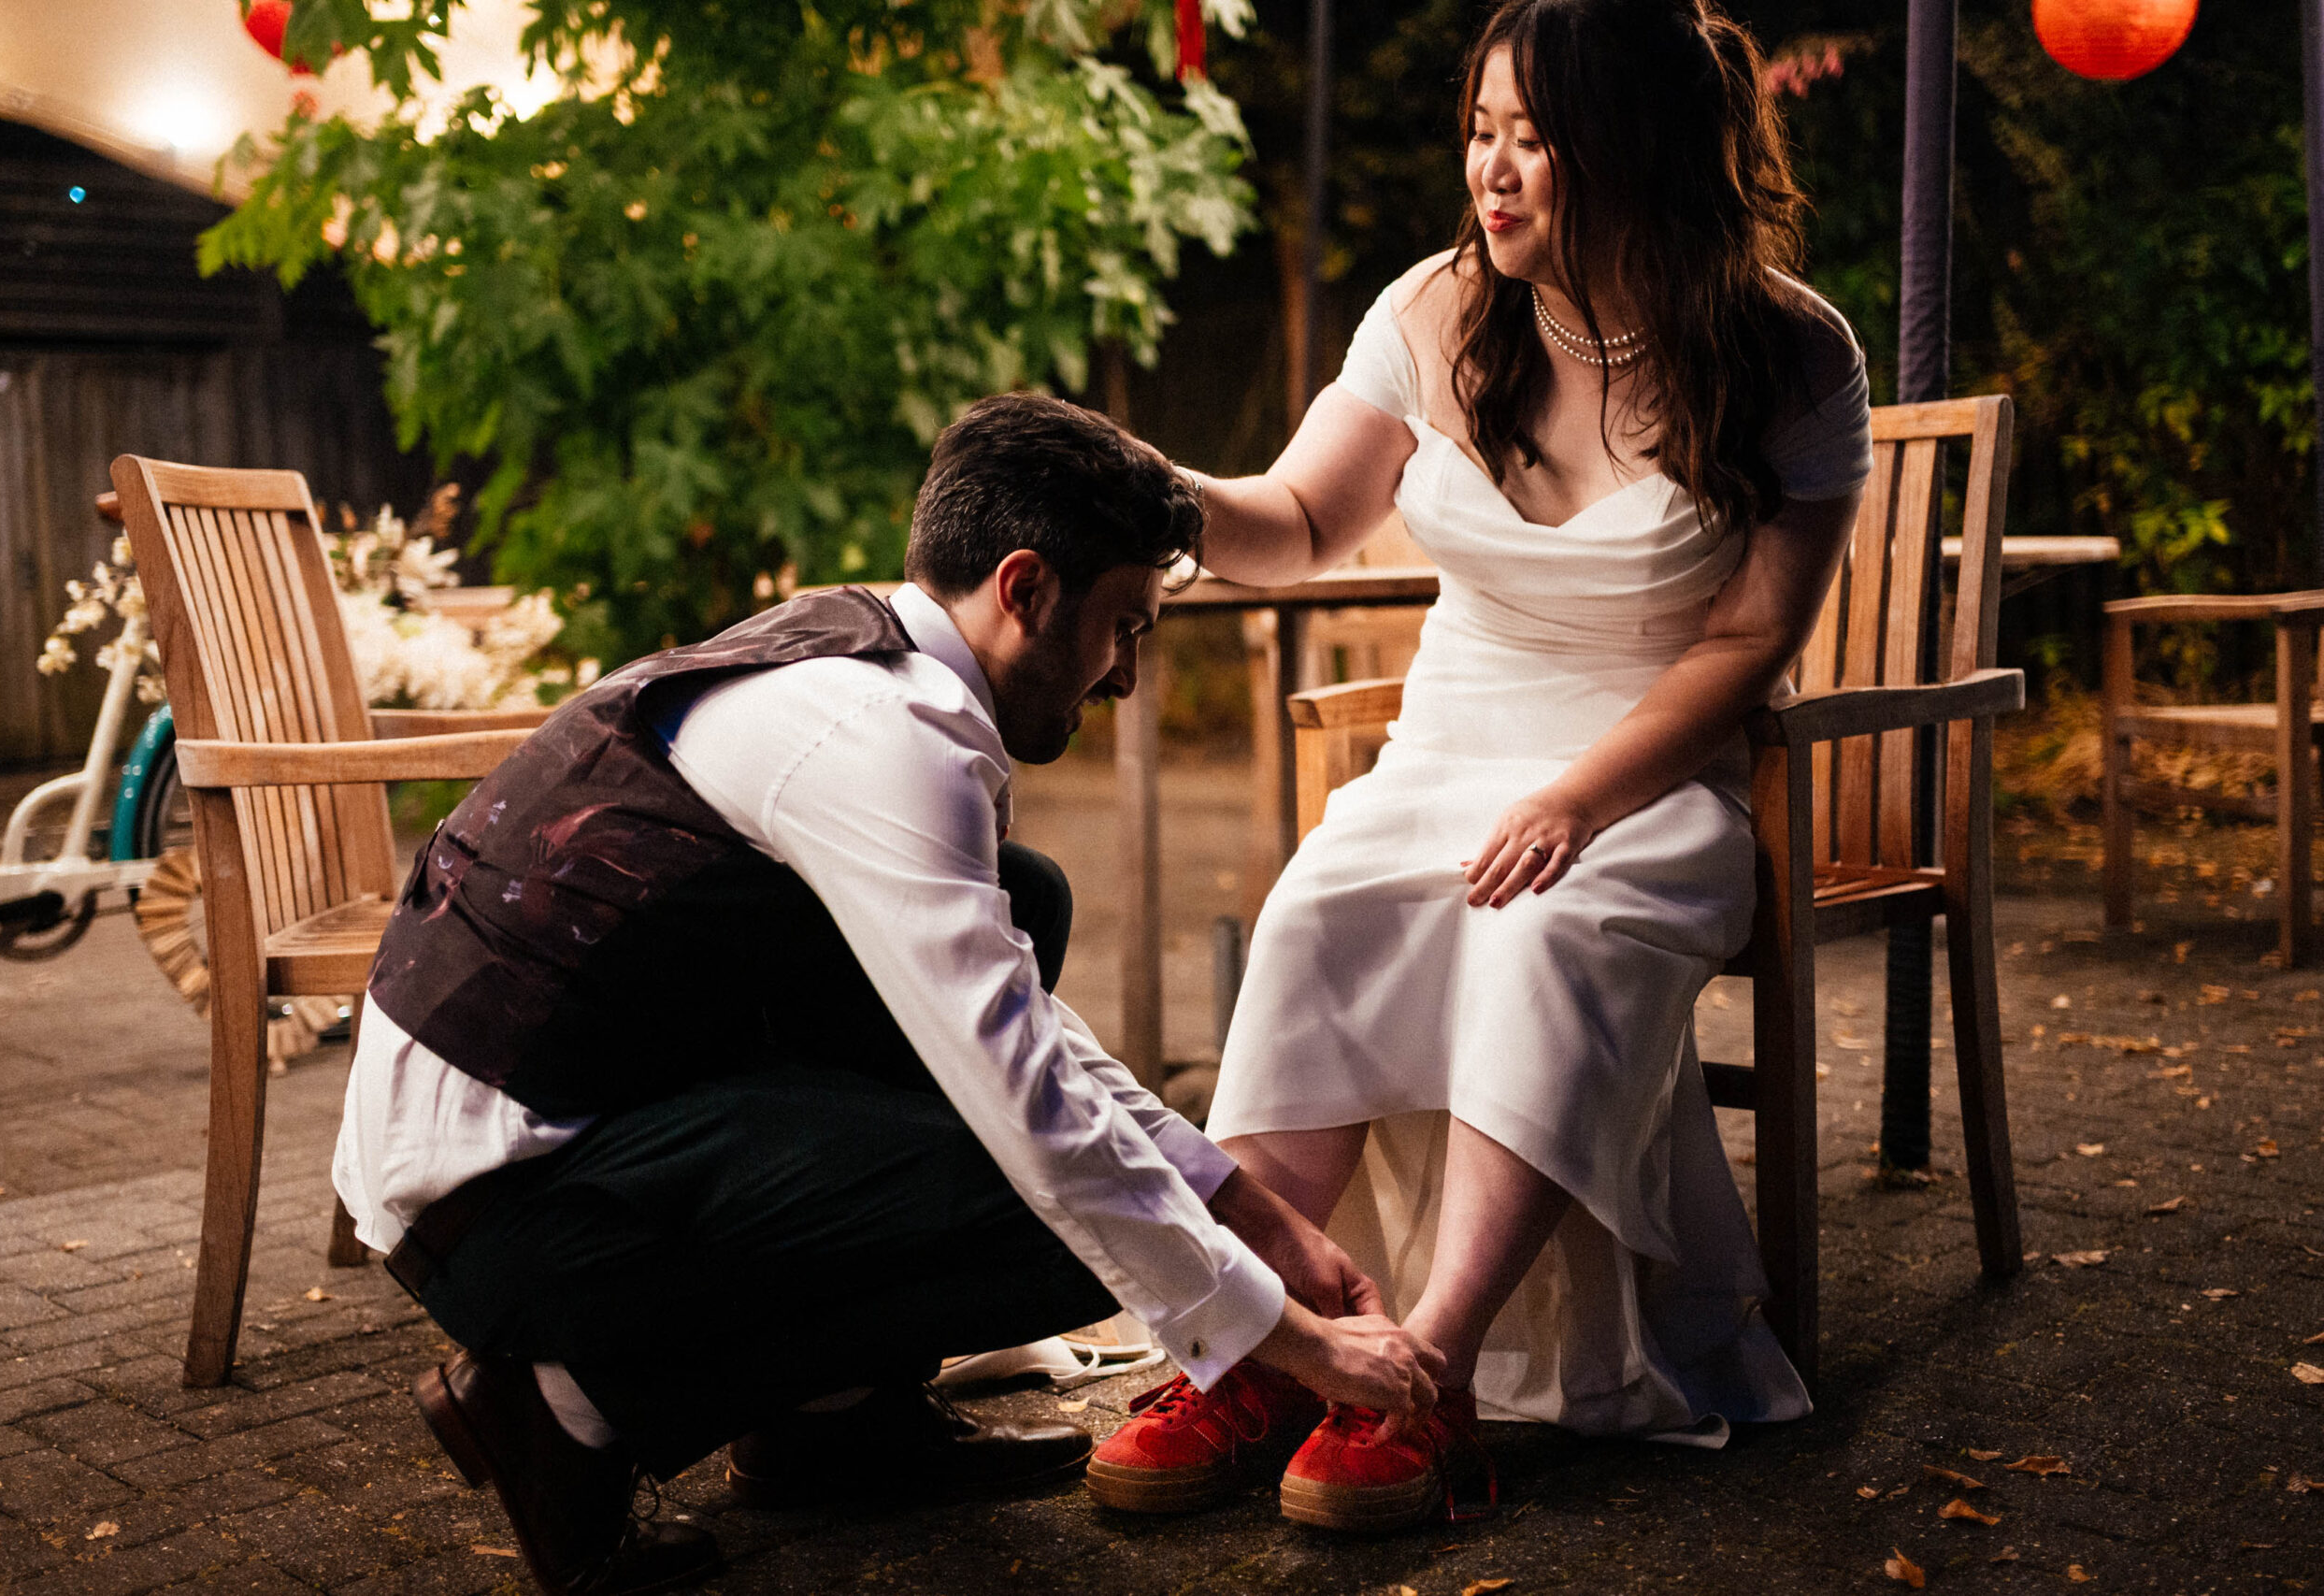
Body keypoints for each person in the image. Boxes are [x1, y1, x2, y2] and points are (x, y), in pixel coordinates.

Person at [332, 392, 1442, 1596]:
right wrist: (1296, 1342)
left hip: (575, 1118)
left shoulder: (865, 649)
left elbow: (1026, 1032)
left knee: (1027, 906)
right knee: (1065, 1216)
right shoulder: (886, 735)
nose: (1127, 673)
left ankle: (831, 1421)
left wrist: (1259, 1214)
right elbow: (1044, 1122)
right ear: (1023, 590)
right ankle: (563, 1410)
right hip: (499, 1205)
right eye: (1125, 624)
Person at [1083, 0, 1872, 1532]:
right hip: (1450, 738)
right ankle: (1253, 1341)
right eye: (1481, 133)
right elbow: (1305, 521)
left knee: (1548, 930)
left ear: (1629, 150)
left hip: (1649, 773)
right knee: (1320, 903)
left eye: (1530, 140)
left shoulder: (1790, 353)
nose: (1489, 174)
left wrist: (1582, 798)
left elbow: (1752, 641)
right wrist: (1160, 491)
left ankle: (1426, 1378)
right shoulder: (1435, 312)